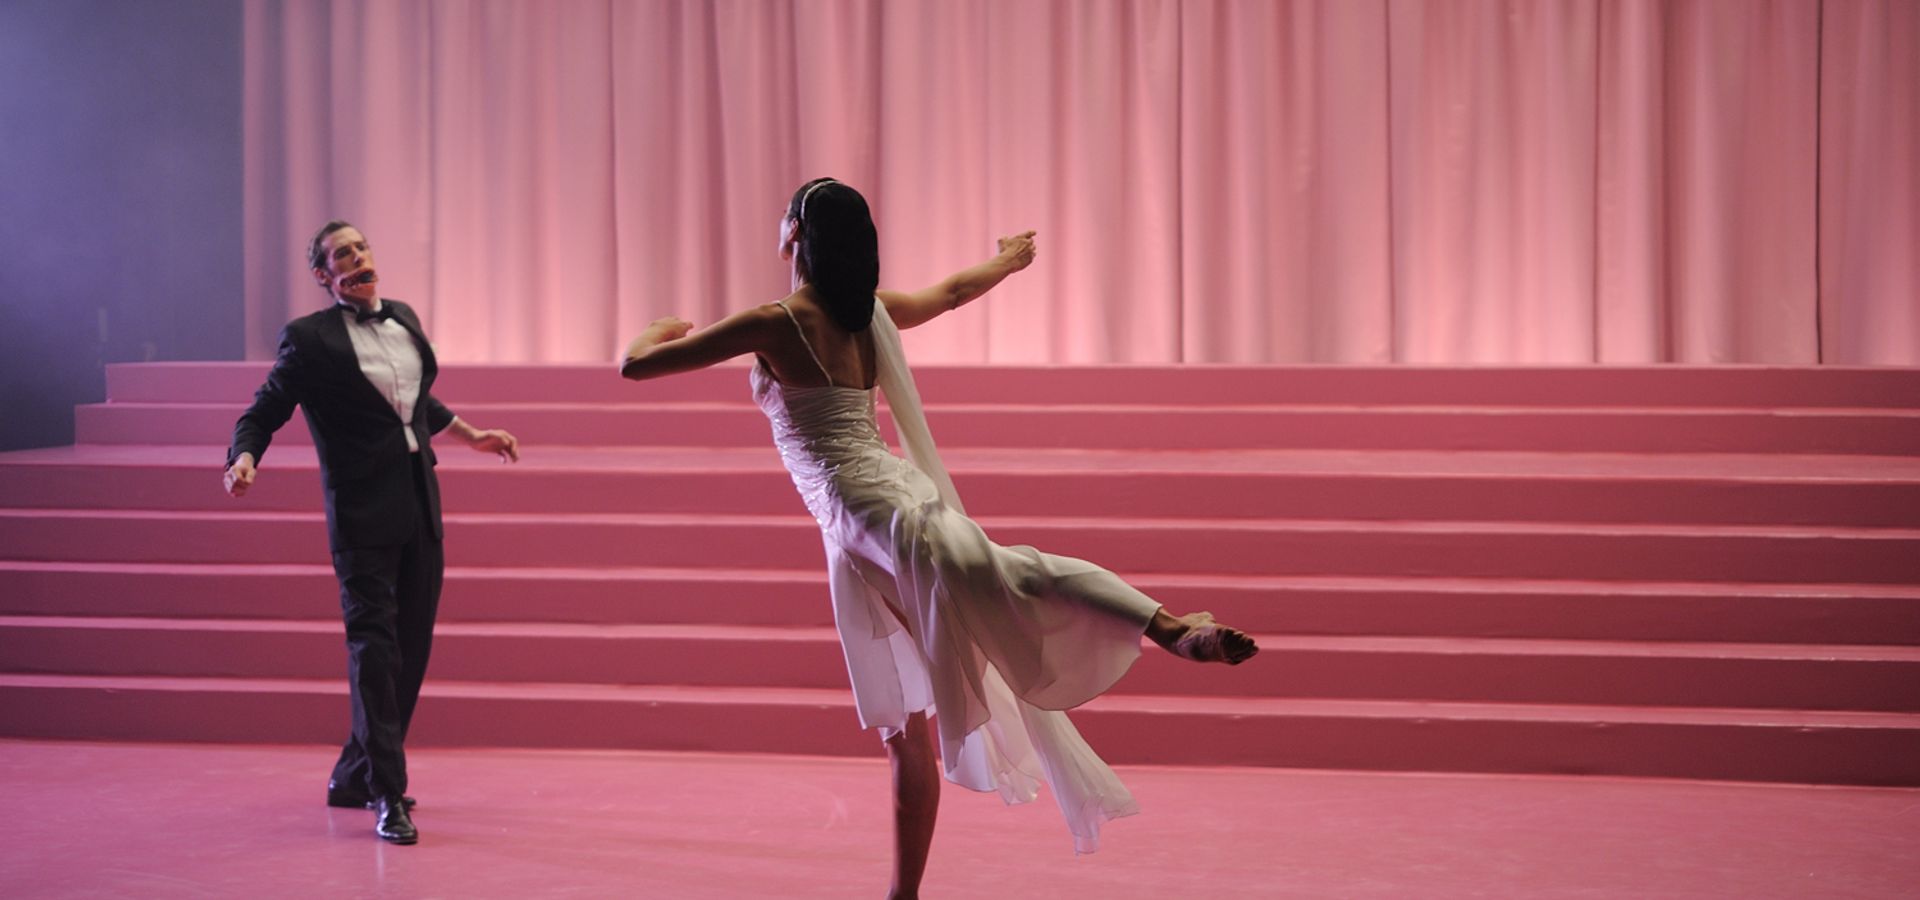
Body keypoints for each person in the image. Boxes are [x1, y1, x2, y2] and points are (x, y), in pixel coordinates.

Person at [619, 178, 1257, 897]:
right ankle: (904, 892)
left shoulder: (776, 321)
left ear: (796, 233)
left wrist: (661, 326)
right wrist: (1007, 262)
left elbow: (635, 365)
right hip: (860, 526)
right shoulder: (870, 314)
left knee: (1008, 577)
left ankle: (1168, 627)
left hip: (869, 515)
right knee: (908, 714)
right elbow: (951, 292)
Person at [224, 219, 521, 845]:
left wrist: (471, 435)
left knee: (409, 650)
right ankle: (389, 793)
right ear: (324, 276)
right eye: (341, 255)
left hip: (419, 502)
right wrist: (245, 456)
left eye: (360, 248)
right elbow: (266, 407)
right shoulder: (311, 340)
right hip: (361, 515)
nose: (356, 259)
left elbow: (413, 400)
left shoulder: (404, 317)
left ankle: (355, 774)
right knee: (374, 652)